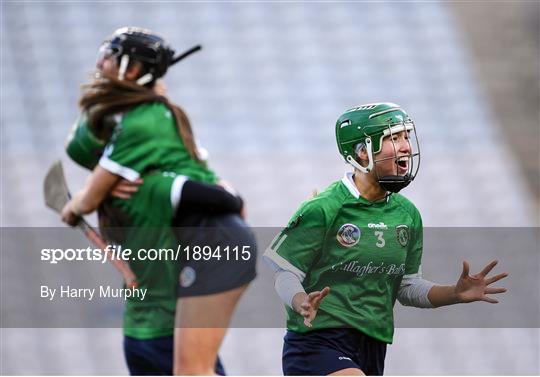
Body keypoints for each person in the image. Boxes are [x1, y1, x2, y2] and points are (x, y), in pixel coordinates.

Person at [61, 26, 257, 375]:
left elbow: (86, 201)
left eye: (112, 56)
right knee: (194, 369)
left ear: (132, 71)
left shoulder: (141, 128)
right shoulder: (157, 122)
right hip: (220, 241)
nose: (102, 62)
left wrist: (73, 205)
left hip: (216, 246)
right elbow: (232, 200)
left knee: (191, 371)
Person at [263, 102, 508, 376]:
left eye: (406, 136)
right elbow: (284, 271)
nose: (405, 146)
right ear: (362, 153)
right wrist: (301, 301)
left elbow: (407, 286)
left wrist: (455, 293)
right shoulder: (323, 208)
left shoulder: (407, 214)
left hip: (373, 345)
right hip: (317, 342)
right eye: (394, 138)